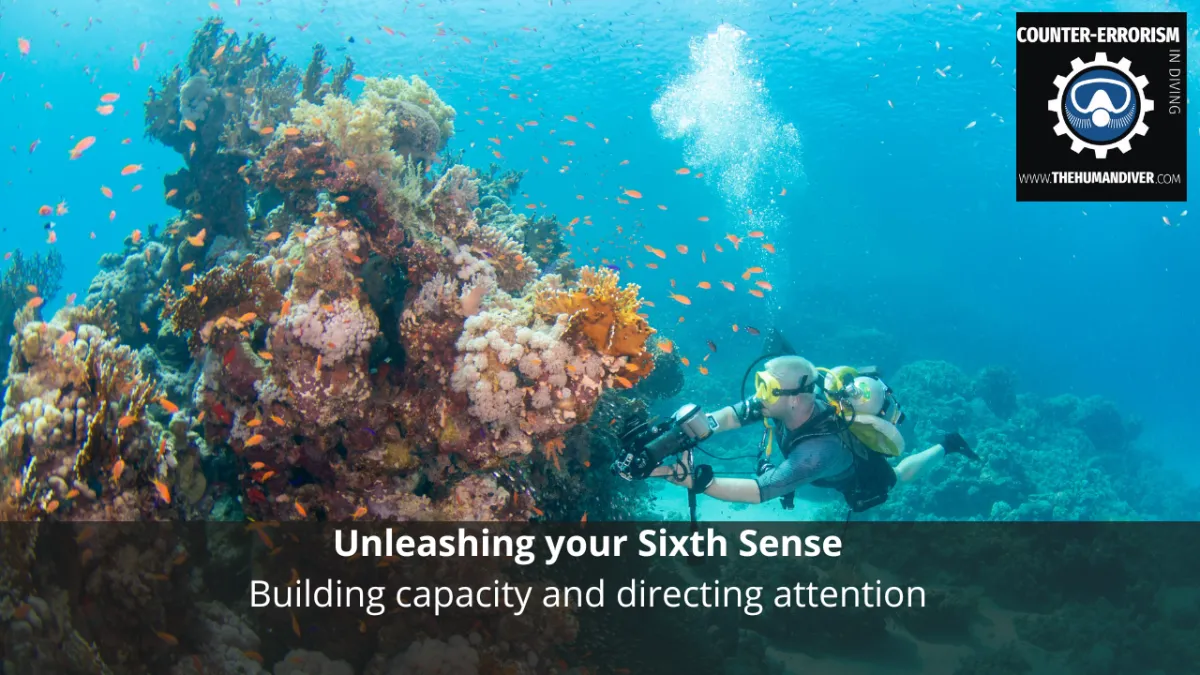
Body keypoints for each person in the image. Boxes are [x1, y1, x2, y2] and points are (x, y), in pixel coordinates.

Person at [652, 355, 978, 512]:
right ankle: (947, 445)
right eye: (760, 384)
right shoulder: (781, 401)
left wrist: (700, 482)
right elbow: (735, 415)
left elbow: (760, 491)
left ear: (794, 398)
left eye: (766, 387)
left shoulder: (816, 454)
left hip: (852, 472)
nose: (758, 394)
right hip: (808, 456)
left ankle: (948, 445)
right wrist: (698, 426)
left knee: (898, 475)